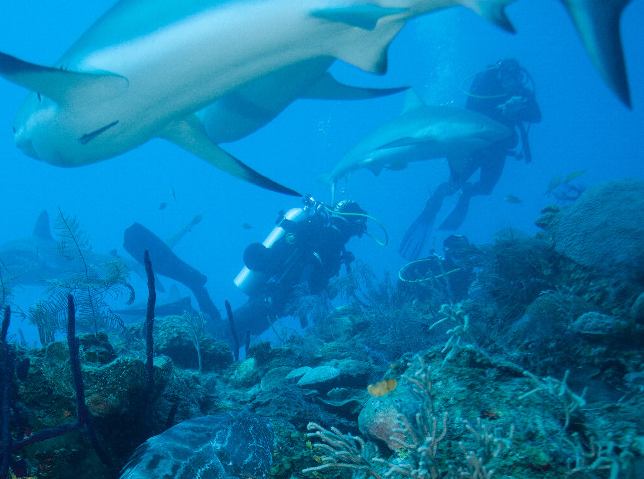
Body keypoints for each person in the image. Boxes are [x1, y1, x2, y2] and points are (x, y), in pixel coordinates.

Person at [399, 59, 541, 261]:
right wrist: (501, 110)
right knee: (452, 185)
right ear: (499, 75)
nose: (512, 81)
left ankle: (467, 194)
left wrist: (519, 109)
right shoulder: (484, 86)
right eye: (507, 76)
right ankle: (437, 200)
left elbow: (537, 117)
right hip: (473, 147)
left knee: (486, 188)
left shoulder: (521, 93)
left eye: (516, 77)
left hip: (498, 151)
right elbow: (468, 113)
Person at [230, 198, 368, 338]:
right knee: (230, 331)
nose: (360, 231)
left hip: (275, 300)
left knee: (236, 335)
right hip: (275, 298)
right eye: (359, 225)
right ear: (351, 223)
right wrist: (323, 293)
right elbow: (309, 272)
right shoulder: (330, 239)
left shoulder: (325, 236)